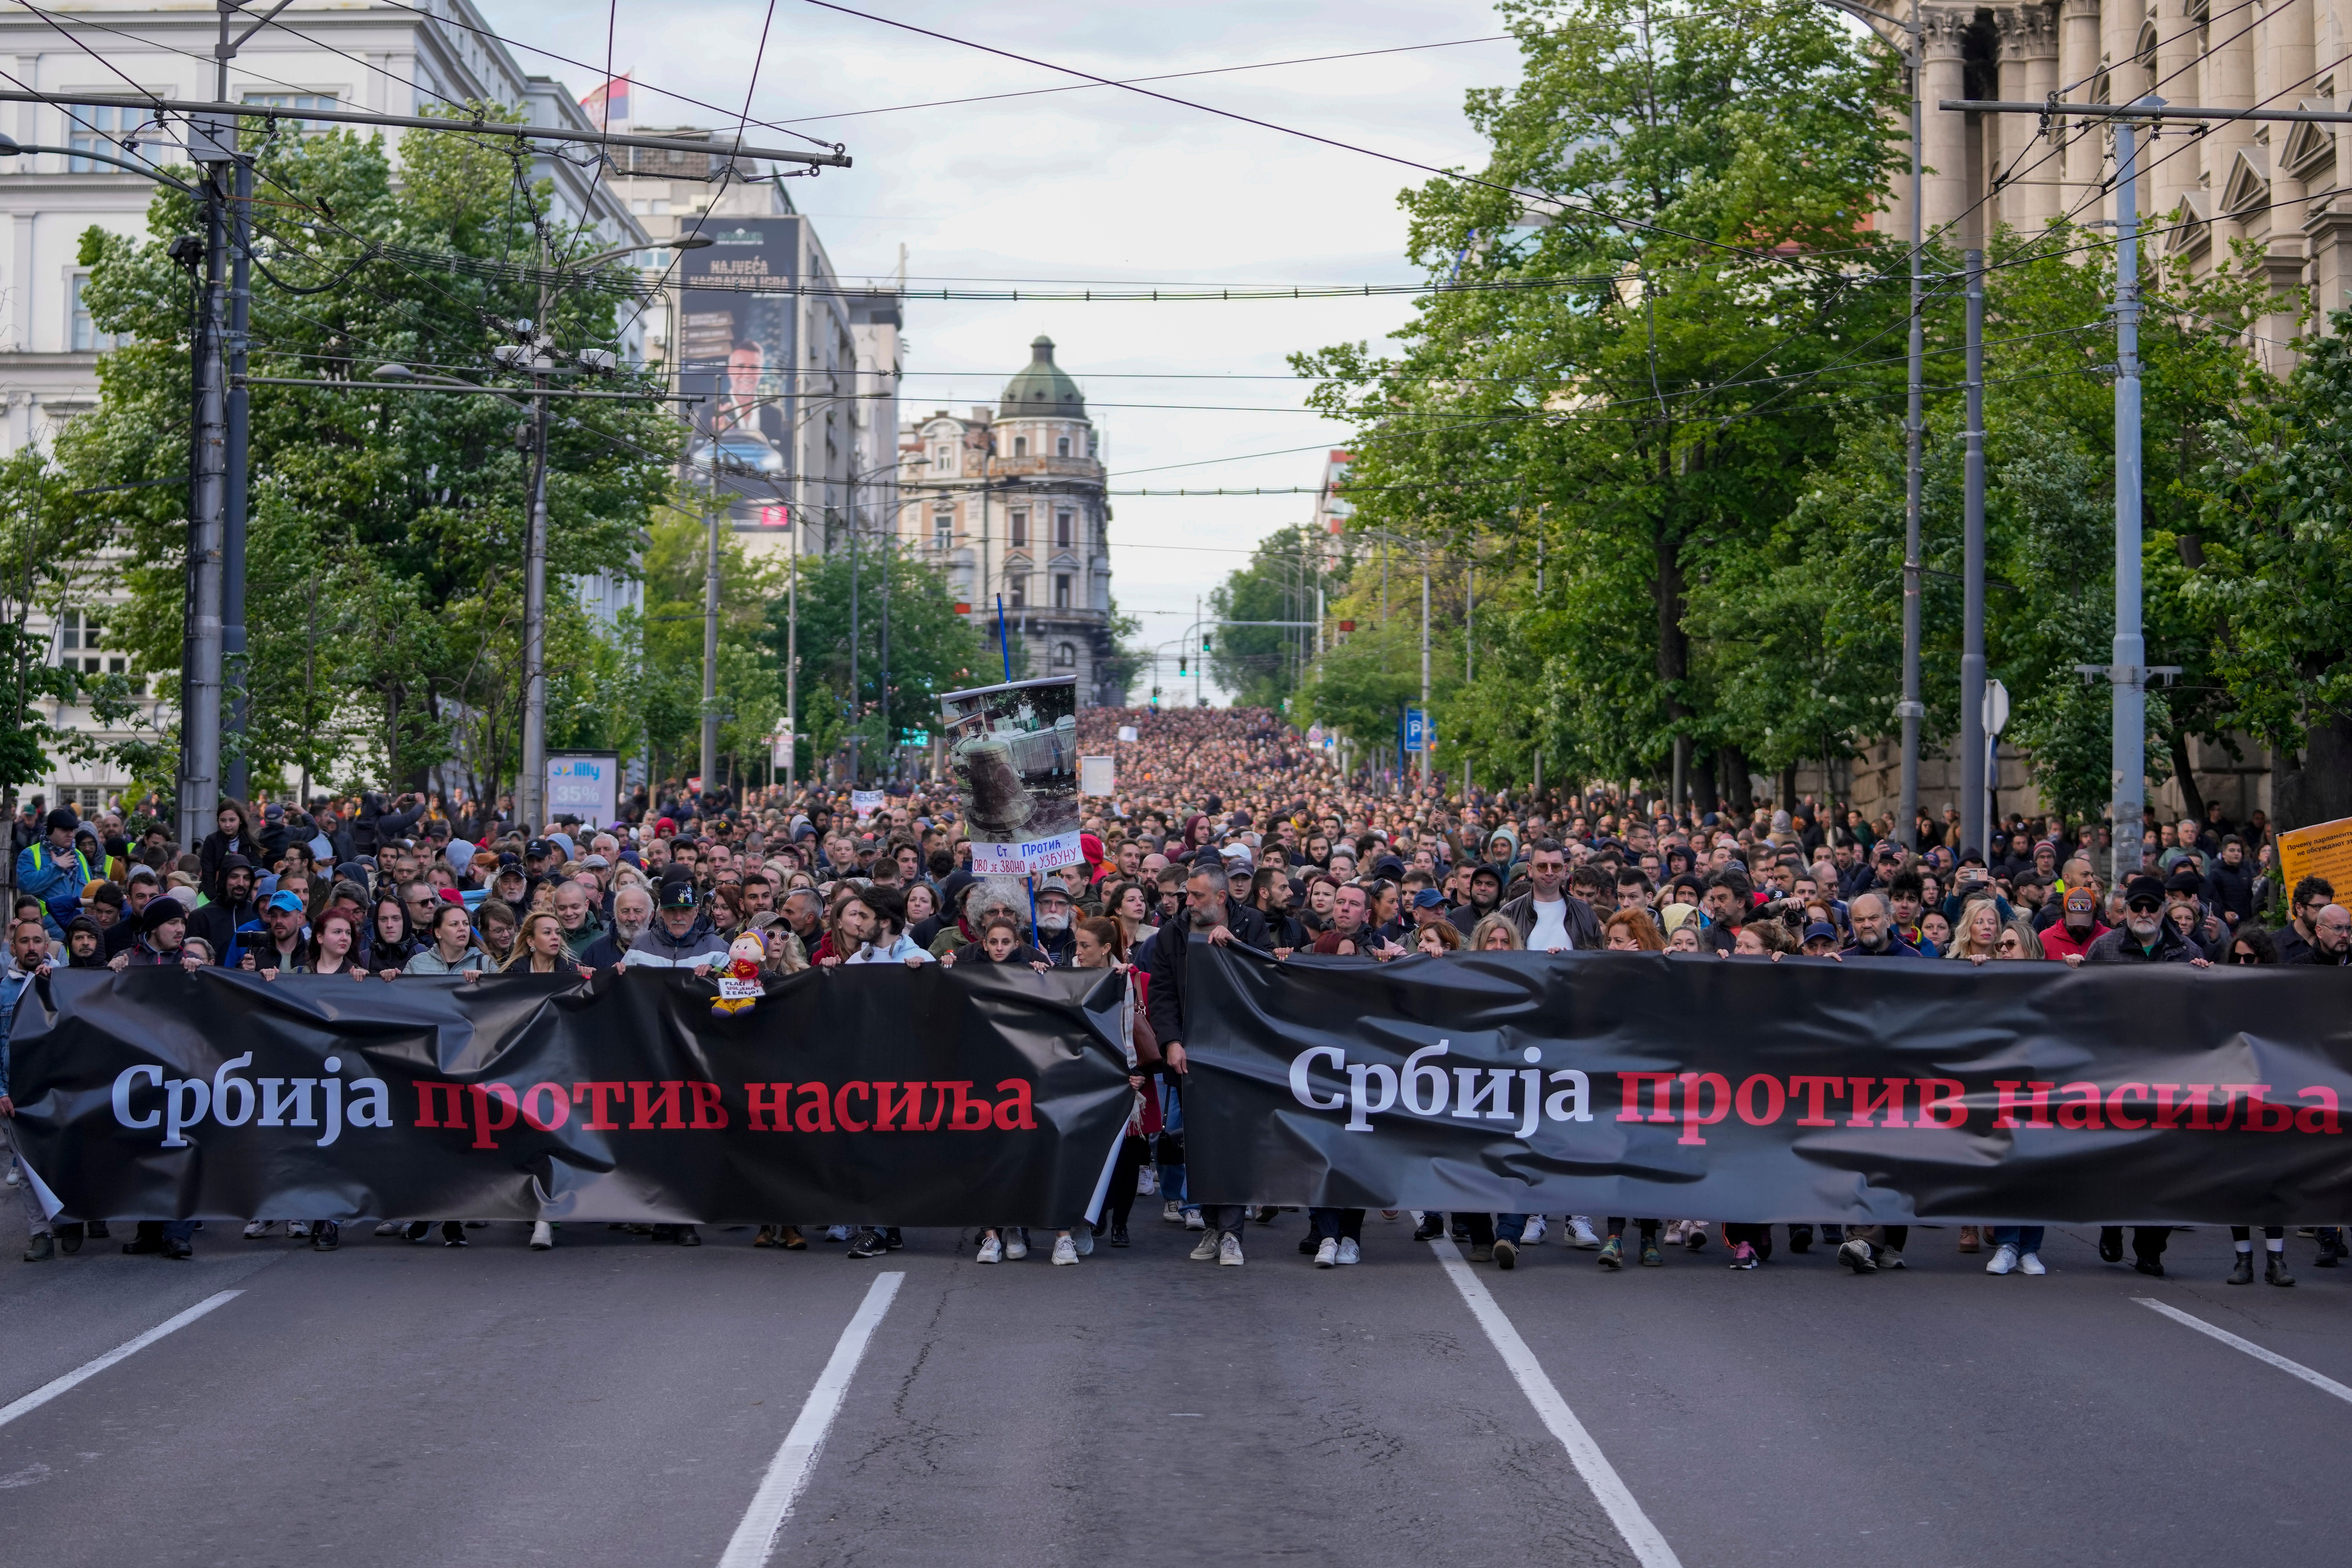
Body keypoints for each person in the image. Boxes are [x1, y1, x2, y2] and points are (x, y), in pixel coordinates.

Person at [1142, 856, 1269, 1266]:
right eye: (1186, 895)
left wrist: (1236, 945)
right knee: (1198, 1146)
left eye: (1196, 896)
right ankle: (1212, 1226)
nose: (1188, 902)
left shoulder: (1250, 925)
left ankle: (1231, 1233)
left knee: (1230, 1145)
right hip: (1189, 1056)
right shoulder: (1172, 933)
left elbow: (1269, 977)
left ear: (1219, 896)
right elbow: (1160, 995)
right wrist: (1171, 1043)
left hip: (1236, 1055)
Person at [1498, 840, 1600, 952]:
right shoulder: (1510, 912)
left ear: (1565, 870)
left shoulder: (1585, 912)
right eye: (1542, 866)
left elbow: (1597, 962)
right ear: (1530, 870)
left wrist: (1573, 962)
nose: (1549, 872)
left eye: (1556, 866)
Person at [16, 808, 92, 940]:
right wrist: (56, 868)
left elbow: (89, 889)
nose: (70, 835)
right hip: (48, 937)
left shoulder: (79, 856)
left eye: (72, 830)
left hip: (79, 934)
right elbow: (26, 885)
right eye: (64, 830)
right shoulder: (30, 854)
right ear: (51, 831)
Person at [409, 903, 493, 976]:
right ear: (438, 932)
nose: (462, 928)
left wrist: (483, 983)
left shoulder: (485, 963)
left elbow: (498, 993)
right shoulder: (417, 963)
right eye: (454, 924)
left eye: (466, 924)